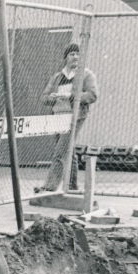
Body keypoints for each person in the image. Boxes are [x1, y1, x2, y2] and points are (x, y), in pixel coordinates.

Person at [37, 43, 98, 193]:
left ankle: (50, 187)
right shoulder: (58, 77)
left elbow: (92, 95)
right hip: (58, 117)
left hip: (74, 118)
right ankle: (72, 186)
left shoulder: (86, 75)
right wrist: (51, 97)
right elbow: (44, 97)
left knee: (60, 151)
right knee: (69, 151)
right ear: (65, 57)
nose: (75, 57)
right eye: (72, 54)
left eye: (78, 54)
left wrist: (71, 96)